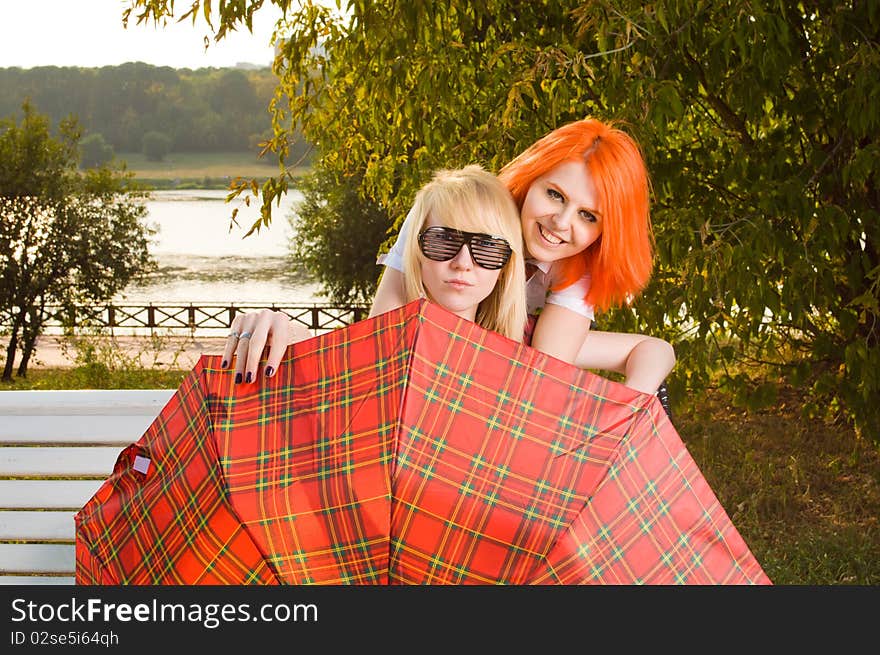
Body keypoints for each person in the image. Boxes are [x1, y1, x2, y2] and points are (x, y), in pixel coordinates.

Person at [225, 117, 674, 400]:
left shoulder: (574, 270)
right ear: (528, 182)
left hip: (501, 341)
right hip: (442, 337)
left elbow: (542, 379)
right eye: (554, 194)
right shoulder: (446, 212)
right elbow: (382, 345)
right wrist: (289, 335)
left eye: (588, 215)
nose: (561, 222)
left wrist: (633, 403)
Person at [223, 165, 526, 382]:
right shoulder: (376, 360)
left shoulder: (519, 371)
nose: (463, 261)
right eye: (443, 239)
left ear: (506, 266)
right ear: (416, 251)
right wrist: (288, 337)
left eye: (487, 247)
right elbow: (340, 363)